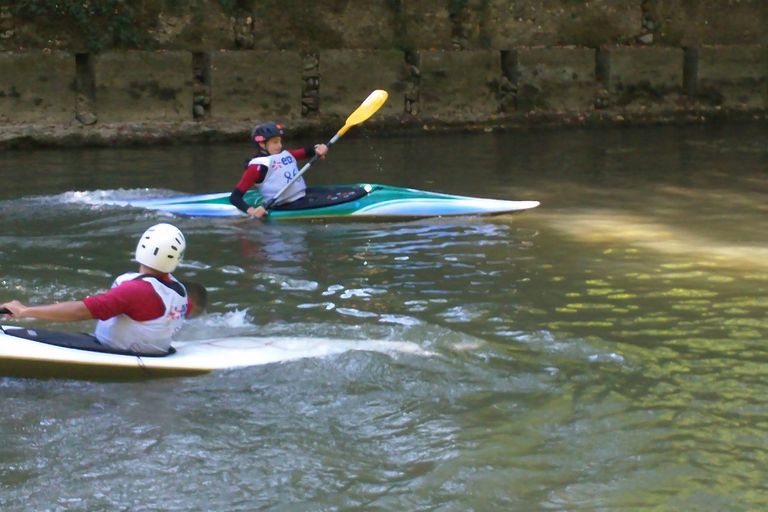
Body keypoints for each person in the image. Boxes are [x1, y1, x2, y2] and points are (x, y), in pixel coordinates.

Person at [1, 223, 192, 355]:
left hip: (116, 351)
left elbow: (81, 312)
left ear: (141, 247)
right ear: (178, 258)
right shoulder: (182, 294)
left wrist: (24, 310)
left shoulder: (135, 291)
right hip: (155, 353)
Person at [230, 121, 328, 218]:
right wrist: (251, 211)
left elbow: (306, 152)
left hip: (302, 195)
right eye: (275, 142)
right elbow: (235, 197)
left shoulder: (285, 154)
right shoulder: (256, 167)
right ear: (262, 144)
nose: (280, 145)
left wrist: (317, 148)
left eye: (280, 141)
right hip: (284, 206)